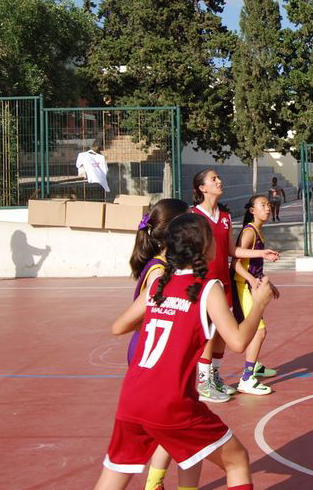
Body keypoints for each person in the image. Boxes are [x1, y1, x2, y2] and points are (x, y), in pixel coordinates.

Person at [93, 213, 276, 490]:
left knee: (115, 475)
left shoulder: (158, 284)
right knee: (237, 459)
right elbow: (238, 342)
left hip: (133, 396)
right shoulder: (207, 288)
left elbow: (118, 327)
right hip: (170, 401)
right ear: (204, 246)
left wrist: (164, 315)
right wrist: (259, 303)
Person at [191, 169, 279, 402]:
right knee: (208, 333)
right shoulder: (193, 216)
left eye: (219, 177)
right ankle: (203, 382)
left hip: (223, 281)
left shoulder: (225, 216)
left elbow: (233, 251)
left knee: (221, 331)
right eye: (213, 179)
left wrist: (262, 252)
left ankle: (216, 376)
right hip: (204, 283)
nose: (219, 181)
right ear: (202, 188)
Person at [126, 198, 190, 490]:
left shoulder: (162, 265)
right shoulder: (159, 272)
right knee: (177, 429)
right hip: (153, 352)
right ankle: (153, 484)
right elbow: (143, 318)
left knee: (166, 428)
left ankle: (154, 483)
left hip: (150, 350)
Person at [230, 195, 281, 396]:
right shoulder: (249, 231)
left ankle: (255, 364)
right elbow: (235, 261)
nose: (267, 208)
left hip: (250, 285)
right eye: (262, 205)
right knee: (259, 331)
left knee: (255, 329)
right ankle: (246, 379)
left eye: (268, 205)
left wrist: (269, 283)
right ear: (252, 210)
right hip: (242, 286)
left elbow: (252, 265)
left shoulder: (258, 231)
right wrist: (251, 281)